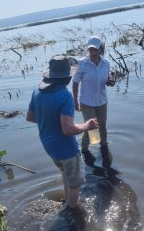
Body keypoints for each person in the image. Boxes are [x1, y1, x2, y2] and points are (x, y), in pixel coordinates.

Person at [26, 55, 98, 210]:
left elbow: (30, 117)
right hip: (67, 150)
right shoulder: (65, 96)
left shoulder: (36, 92)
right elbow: (68, 130)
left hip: (49, 147)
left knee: (66, 174)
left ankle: (67, 203)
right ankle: (73, 213)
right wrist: (87, 125)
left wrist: (50, 122)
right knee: (75, 183)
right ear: (67, 77)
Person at [72, 36, 115, 164]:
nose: (93, 52)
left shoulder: (106, 63)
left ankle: (104, 147)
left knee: (102, 126)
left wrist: (110, 82)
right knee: (90, 128)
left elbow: (106, 80)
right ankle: (83, 150)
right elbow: (75, 82)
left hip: (102, 101)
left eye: (95, 50)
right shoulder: (82, 63)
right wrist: (75, 101)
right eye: (90, 49)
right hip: (87, 102)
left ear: (101, 49)